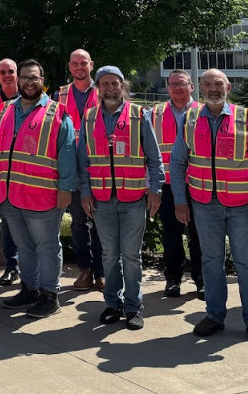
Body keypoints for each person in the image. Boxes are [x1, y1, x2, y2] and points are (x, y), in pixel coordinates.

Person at [171, 68, 248, 345]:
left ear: (228, 87)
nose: (213, 88)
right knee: (211, 262)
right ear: (200, 88)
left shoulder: (244, 117)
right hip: (205, 206)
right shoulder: (190, 118)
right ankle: (215, 315)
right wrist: (181, 200)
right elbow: (178, 163)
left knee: (247, 263)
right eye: (207, 84)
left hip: (242, 205)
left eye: (218, 83)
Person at [79, 66, 164, 331]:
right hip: (102, 200)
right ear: (98, 88)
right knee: (108, 256)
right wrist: (84, 193)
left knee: (131, 255)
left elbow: (154, 156)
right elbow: (84, 162)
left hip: (133, 199)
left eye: (114, 83)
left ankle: (133, 307)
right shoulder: (89, 117)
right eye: (104, 84)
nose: (110, 88)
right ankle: (112, 304)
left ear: (122, 86)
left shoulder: (139, 115)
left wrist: (156, 190)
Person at [0, 59, 75, 319]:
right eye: (25, 78)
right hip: (10, 194)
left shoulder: (57, 112)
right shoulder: (5, 110)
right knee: (24, 247)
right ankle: (30, 288)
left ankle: (50, 296)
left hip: (44, 196)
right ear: (18, 81)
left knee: (47, 247)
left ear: (42, 81)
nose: (29, 82)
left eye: (34, 78)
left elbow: (68, 153)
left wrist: (66, 189)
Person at [54, 49, 104, 292]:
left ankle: (102, 272)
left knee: (101, 221)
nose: (79, 67)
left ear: (91, 65)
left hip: (99, 166)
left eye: (83, 63)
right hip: (71, 167)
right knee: (79, 222)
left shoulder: (104, 90)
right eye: (74, 64)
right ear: (70, 66)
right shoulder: (60, 94)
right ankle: (84, 271)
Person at [153, 69, 203, 299]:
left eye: (182, 83)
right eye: (172, 84)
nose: (177, 88)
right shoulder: (155, 113)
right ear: (167, 87)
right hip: (168, 185)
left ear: (192, 86)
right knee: (171, 235)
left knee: (199, 234)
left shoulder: (203, 112)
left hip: (197, 184)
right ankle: (173, 279)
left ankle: (202, 281)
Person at [0, 58, 21, 286]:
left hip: (27, 169)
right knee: (7, 221)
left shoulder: (29, 97)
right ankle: (12, 266)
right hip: (2, 171)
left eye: (11, 71)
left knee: (31, 222)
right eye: (3, 72)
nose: (7, 75)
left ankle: (32, 268)